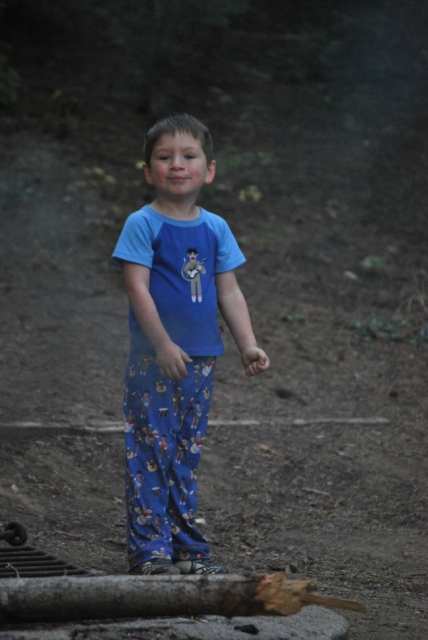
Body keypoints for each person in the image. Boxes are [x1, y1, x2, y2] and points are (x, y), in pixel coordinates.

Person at [112, 114, 270, 576]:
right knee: (150, 453)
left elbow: (229, 292)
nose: (177, 165)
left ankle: (187, 549)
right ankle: (150, 551)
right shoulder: (143, 224)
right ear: (149, 172)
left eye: (188, 156)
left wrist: (247, 345)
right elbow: (137, 288)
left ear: (209, 170)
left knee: (185, 454)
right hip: (154, 361)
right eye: (165, 157)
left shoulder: (215, 228)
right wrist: (162, 344)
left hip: (202, 362)